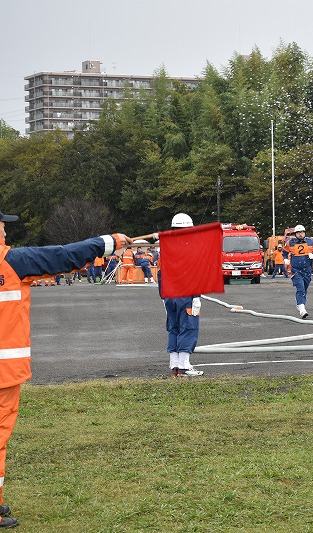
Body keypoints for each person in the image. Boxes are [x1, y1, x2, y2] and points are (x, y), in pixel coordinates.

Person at [0, 207, 131, 528]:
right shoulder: (11, 262)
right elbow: (64, 256)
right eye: (2, 226)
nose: (5, 232)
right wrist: (110, 242)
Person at [160, 213, 204, 377]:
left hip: (169, 295)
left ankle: (175, 365)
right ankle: (184, 366)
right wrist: (196, 296)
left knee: (174, 328)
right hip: (185, 295)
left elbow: (160, 273)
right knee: (188, 327)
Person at [283, 224, 313, 318]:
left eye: (302, 232)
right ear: (295, 234)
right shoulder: (290, 242)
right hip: (296, 270)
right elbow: (284, 251)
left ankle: (300, 304)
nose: (300, 234)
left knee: (305, 289)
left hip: (307, 270)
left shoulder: (310, 242)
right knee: (300, 288)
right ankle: (302, 309)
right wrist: (285, 258)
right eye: (298, 233)